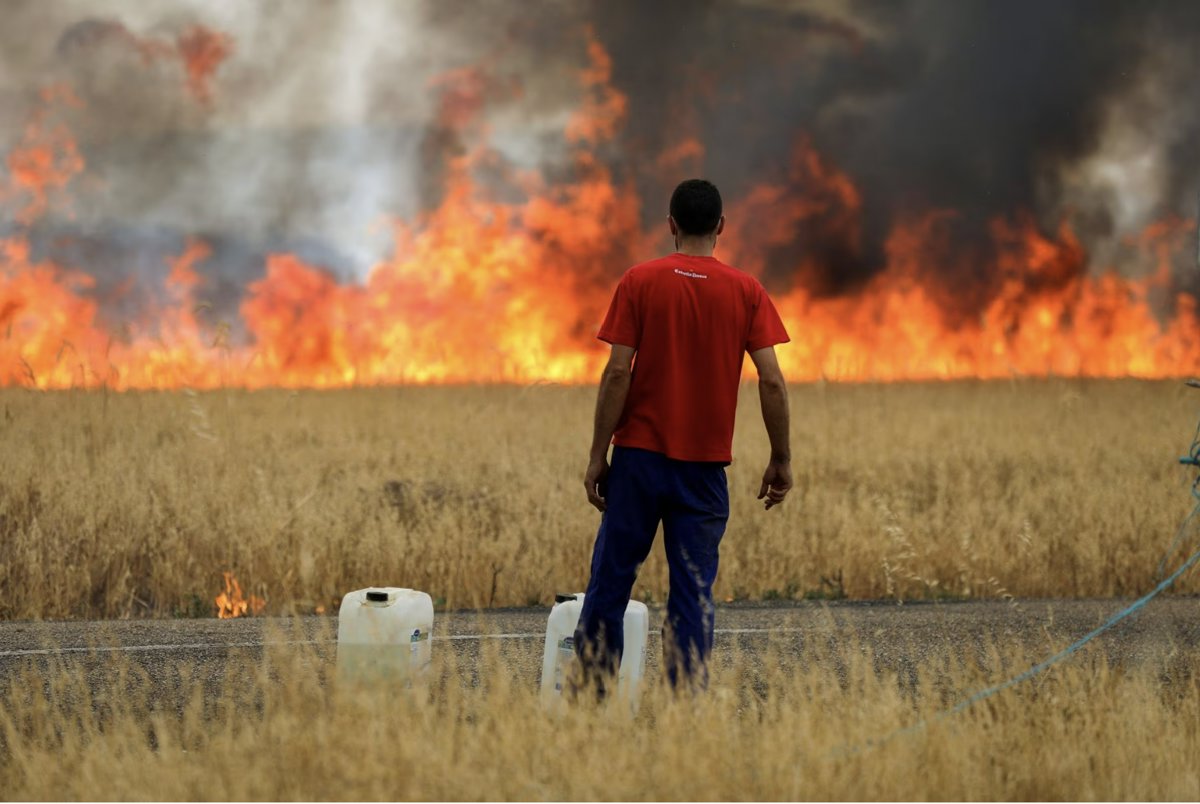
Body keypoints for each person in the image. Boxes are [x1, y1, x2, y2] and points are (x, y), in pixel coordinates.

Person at [574, 178, 793, 694]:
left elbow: (617, 373)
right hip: (703, 472)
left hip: (638, 463)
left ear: (670, 224)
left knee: (610, 582)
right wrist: (781, 457)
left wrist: (596, 454)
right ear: (721, 227)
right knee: (693, 594)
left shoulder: (639, 281)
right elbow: (773, 379)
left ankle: (590, 704)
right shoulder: (747, 291)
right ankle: (685, 712)